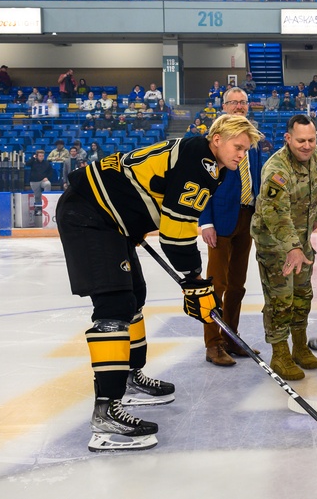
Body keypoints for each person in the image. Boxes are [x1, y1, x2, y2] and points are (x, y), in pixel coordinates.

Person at [56, 114, 259, 452]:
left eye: (246, 150)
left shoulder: (202, 157)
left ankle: (129, 378)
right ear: (218, 138)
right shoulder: (202, 165)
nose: (242, 155)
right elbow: (176, 234)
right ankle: (105, 411)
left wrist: (135, 225)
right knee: (114, 306)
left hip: (109, 217)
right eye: (238, 147)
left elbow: (154, 194)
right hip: (89, 215)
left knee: (135, 295)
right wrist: (196, 281)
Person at [251, 114, 317, 381]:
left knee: (303, 294)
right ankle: (280, 353)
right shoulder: (276, 169)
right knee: (280, 299)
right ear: (288, 139)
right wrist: (293, 246)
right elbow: (274, 212)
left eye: (311, 139)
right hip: (274, 243)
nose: (307, 146)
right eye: (301, 141)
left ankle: (300, 345)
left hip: (301, 240)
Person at [193, 88, 265, 366]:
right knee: (216, 285)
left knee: (237, 285)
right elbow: (202, 184)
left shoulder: (252, 138)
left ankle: (233, 338)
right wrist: (206, 221)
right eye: (233, 102)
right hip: (220, 221)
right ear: (223, 105)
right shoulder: (214, 140)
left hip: (247, 217)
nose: (238, 106)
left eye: (243, 102)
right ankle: (213, 344)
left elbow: (255, 177)